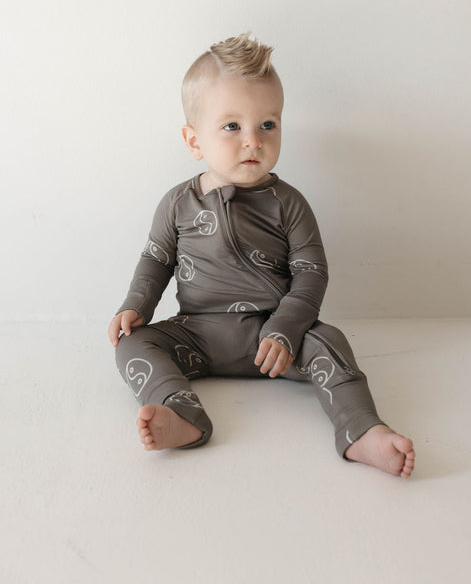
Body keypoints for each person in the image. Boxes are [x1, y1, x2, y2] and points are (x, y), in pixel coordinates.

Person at [108, 32, 415, 478]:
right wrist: (135, 306)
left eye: (267, 125)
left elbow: (311, 274)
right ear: (194, 141)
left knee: (330, 342)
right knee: (131, 344)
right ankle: (181, 413)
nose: (252, 141)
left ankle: (362, 431)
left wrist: (287, 329)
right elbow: (156, 261)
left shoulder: (287, 203)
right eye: (232, 126)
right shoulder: (178, 203)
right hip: (197, 335)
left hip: (273, 340)